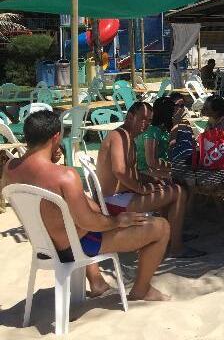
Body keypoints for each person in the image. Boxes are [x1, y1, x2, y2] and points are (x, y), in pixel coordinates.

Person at [3, 111, 171, 300]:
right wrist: (117, 221)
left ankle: (97, 282)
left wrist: (49, 160)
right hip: (75, 247)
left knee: (81, 217)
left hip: (45, 245)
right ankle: (142, 290)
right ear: (56, 137)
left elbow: (38, 182)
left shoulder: (10, 169)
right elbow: (90, 222)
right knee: (161, 227)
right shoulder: (65, 176)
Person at [96, 102, 203, 259]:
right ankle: (176, 247)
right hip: (114, 202)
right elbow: (119, 171)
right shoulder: (119, 136)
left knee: (167, 186)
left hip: (120, 197)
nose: (145, 124)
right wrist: (141, 188)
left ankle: (172, 235)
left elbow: (130, 172)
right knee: (178, 193)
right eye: (142, 119)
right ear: (130, 117)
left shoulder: (127, 136)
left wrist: (151, 179)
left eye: (149, 120)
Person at [136, 97, 174, 178]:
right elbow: (152, 162)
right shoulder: (152, 130)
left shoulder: (161, 129)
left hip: (156, 168)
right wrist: (174, 168)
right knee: (183, 180)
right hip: (144, 171)